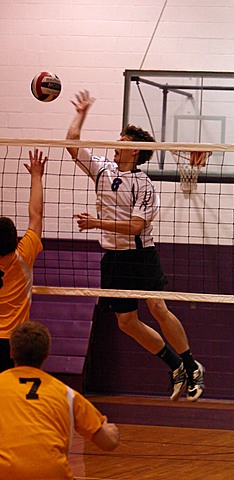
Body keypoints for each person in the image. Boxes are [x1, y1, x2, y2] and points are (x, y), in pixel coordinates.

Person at [66, 90, 205, 402]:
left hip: (141, 256)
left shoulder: (144, 185)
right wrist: (82, 113)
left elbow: (136, 226)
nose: (118, 144)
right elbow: (72, 143)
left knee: (157, 307)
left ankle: (191, 365)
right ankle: (174, 366)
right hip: (113, 258)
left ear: (136, 151)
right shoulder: (102, 169)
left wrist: (96, 223)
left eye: (124, 141)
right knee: (127, 322)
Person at [0, 321, 119, 480]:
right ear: (47, 354)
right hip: (52, 473)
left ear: (11, 352)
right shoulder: (66, 393)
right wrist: (110, 429)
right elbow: (109, 442)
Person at [0, 149, 47, 373]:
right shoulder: (24, 255)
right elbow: (35, 215)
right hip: (13, 343)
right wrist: (36, 176)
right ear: (16, 239)